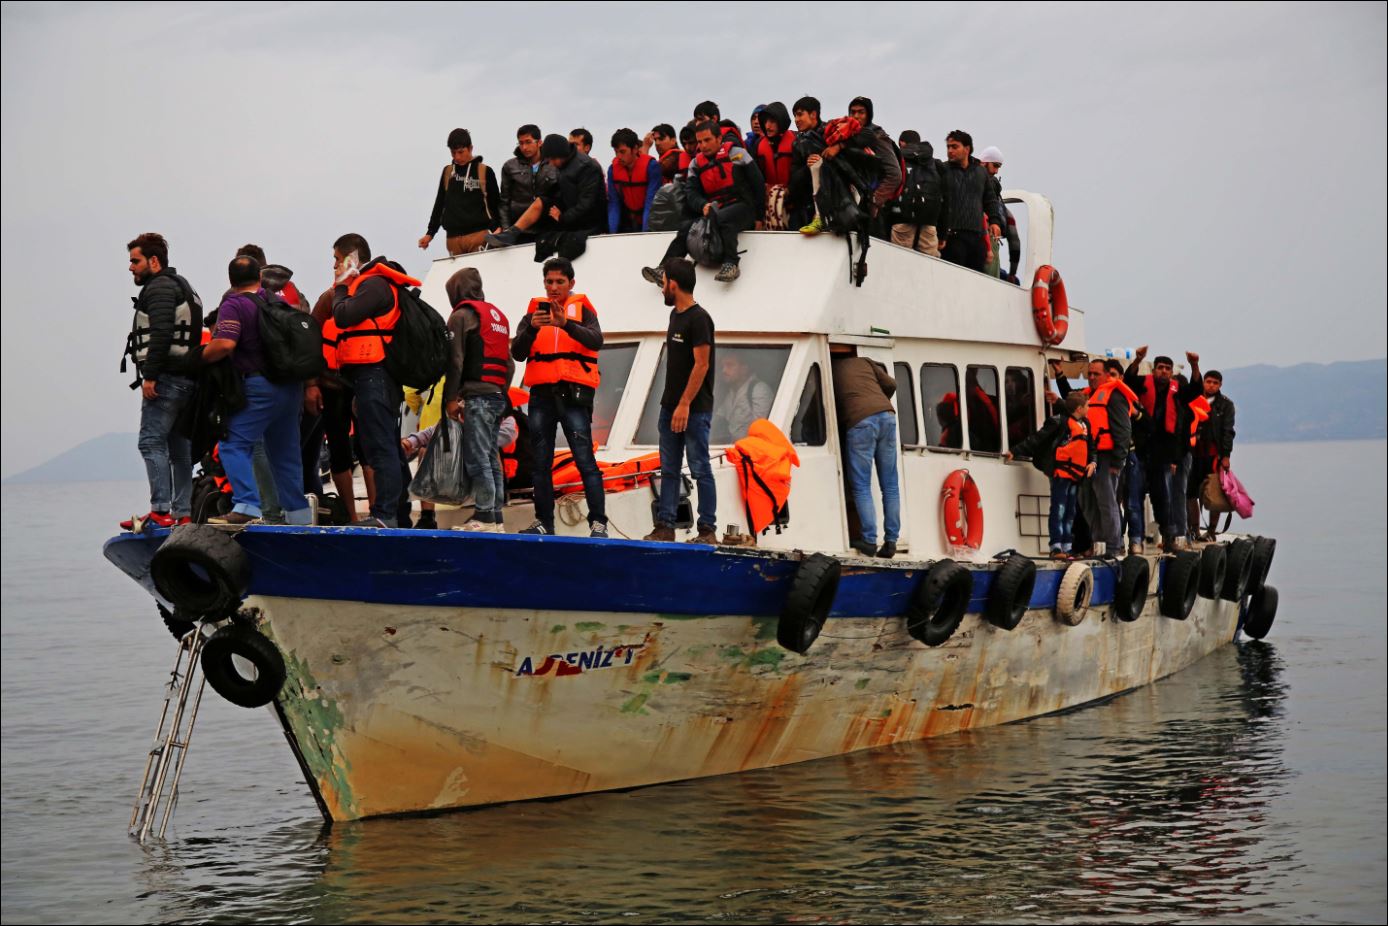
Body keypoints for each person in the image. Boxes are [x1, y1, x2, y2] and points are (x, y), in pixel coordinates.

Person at [200, 256, 313, 526]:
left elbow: (226, 344)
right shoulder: (278, 302)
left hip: (259, 386)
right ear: (259, 278)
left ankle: (247, 505)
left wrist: (199, 356)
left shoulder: (234, 304)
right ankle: (299, 517)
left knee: (233, 445)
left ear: (231, 281)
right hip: (290, 387)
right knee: (285, 454)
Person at [509, 257, 608, 537]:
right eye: (549, 282)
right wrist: (531, 329)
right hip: (541, 395)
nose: (553, 287)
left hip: (573, 395)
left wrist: (566, 324)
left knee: (584, 459)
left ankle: (598, 523)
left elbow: (596, 340)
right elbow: (517, 352)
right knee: (540, 462)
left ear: (571, 283)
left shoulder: (583, 310)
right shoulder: (532, 315)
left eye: (559, 282)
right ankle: (544, 523)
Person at [330, 233, 417, 527]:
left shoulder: (373, 285)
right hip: (369, 376)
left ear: (352, 258)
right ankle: (398, 513)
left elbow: (343, 316)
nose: (334, 266)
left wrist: (341, 288)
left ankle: (385, 514)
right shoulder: (371, 285)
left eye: (337, 259)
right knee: (385, 444)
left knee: (380, 446)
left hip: (376, 375)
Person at [121, 232, 203, 530]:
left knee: (150, 442)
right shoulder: (183, 287)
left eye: (135, 261)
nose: (131, 267)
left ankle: (160, 511)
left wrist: (151, 376)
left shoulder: (160, 289)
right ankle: (182, 513)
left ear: (153, 261)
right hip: (187, 381)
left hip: (167, 379)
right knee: (179, 449)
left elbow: (162, 333)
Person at [643, 258, 717, 544]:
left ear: (673, 284)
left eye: (663, 283)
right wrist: (673, 405)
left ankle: (707, 529)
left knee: (700, 468)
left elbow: (702, 365)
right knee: (669, 468)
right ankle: (665, 525)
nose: (662, 287)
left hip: (694, 410)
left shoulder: (699, 319)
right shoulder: (675, 315)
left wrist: (685, 403)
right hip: (670, 407)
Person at [639, 121, 764, 285]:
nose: (703, 145)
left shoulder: (738, 154)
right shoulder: (696, 164)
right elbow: (691, 192)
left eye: (707, 140)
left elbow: (758, 184)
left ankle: (731, 263)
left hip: (743, 208)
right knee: (685, 228)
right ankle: (664, 269)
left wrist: (759, 218)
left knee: (724, 218)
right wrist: (702, 205)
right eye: (699, 142)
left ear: (719, 138)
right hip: (713, 210)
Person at [441, 267, 514, 533]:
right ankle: (495, 517)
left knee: (477, 456)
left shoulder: (461, 316)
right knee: (491, 456)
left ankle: (483, 516)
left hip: (478, 396)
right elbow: (509, 364)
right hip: (496, 395)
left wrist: (452, 398)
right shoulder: (498, 317)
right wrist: (501, 392)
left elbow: (455, 360)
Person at [486, 134, 607, 260]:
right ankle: (511, 233)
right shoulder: (563, 164)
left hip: (587, 221)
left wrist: (562, 217)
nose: (551, 164)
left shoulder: (587, 166)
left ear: (559, 154)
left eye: (552, 159)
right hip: (568, 211)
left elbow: (586, 204)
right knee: (541, 201)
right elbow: (559, 191)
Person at [830, 346, 901, 558]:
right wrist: (877, 401)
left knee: (861, 486)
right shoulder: (865, 361)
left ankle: (869, 540)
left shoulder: (829, 369)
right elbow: (891, 384)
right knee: (890, 485)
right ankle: (891, 541)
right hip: (887, 416)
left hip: (860, 422)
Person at [1006, 392, 1096, 558]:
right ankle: (1056, 546)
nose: (1089, 408)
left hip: (1076, 475)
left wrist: (1093, 463)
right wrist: (1015, 451)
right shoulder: (1058, 422)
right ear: (1079, 408)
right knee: (1059, 509)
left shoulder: (1086, 425)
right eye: (1087, 406)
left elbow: (1091, 448)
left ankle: (1068, 547)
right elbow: (1036, 439)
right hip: (1061, 473)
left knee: (1070, 512)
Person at [1124, 347, 1185, 550]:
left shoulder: (1178, 392)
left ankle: (1169, 537)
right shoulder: (1142, 384)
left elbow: (1179, 427)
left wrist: (1194, 366)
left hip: (1164, 454)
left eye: (1168, 368)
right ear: (1153, 370)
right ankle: (1136, 540)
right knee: (1135, 496)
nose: (1164, 371)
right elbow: (1128, 381)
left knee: (1164, 498)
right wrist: (1137, 360)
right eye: (1160, 368)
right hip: (1141, 450)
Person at [419, 128, 502, 256]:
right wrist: (430, 234)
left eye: (461, 152)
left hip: (478, 235)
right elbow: (440, 204)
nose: (457, 157)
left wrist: (498, 228)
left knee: (476, 275)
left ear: (470, 148)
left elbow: (495, 203)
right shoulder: (447, 172)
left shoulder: (484, 171)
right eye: (453, 153)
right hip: (453, 239)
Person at [1087, 359, 1140, 554]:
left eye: (1096, 374)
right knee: (1094, 501)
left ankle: (1113, 546)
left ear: (1107, 375)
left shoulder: (1115, 396)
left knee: (1108, 502)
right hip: (1094, 457)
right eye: (1089, 374)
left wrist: (1118, 460)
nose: (1092, 377)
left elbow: (1124, 430)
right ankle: (1099, 543)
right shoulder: (1093, 397)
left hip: (1108, 457)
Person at [1184, 353, 1236, 538]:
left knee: (1215, 494)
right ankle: (1194, 529)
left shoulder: (1226, 405)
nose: (1211, 385)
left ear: (1220, 385)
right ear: (1204, 382)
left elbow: (1228, 431)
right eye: (1208, 381)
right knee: (1190, 493)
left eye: (1215, 382)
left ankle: (1212, 531)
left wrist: (1226, 456)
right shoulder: (1194, 400)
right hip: (1193, 454)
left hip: (1214, 455)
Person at [939, 130, 1005, 273]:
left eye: (955, 147)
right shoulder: (943, 170)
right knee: (952, 278)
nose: (950, 151)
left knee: (976, 282)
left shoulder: (980, 173)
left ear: (967, 149)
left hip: (976, 239)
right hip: (951, 238)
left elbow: (990, 199)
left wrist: (995, 221)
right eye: (948, 147)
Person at [886, 130, 947, 256]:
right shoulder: (934, 163)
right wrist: (943, 232)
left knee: (900, 258)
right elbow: (945, 198)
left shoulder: (898, 158)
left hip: (902, 218)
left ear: (902, 142)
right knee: (929, 263)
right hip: (929, 222)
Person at [846, 96, 903, 221]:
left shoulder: (878, 137)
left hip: (868, 207)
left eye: (861, 112)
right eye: (853, 112)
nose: (856, 116)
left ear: (868, 114)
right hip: (848, 203)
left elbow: (894, 174)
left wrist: (874, 201)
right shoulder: (846, 136)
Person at [977, 146, 1021, 282]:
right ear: (984, 163)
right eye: (995, 166)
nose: (996, 171)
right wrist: (1012, 274)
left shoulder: (1000, 208)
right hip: (984, 245)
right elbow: (1015, 242)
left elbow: (1014, 240)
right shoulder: (1001, 209)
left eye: (998, 167)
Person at [499, 124, 555, 231]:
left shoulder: (553, 164)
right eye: (521, 143)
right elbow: (504, 202)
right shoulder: (510, 166)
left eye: (528, 142)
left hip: (548, 228)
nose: (524, 147)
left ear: (539, 142)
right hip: (519, 229)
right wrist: (506, 230)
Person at [606, 128, 662, 233]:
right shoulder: (612, 170)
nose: (618, 156)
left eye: (622, 152)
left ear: (635, 149)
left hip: (650, 219)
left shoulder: (651, 167)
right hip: (627, 220)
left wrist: (645, 233)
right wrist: (612, 234)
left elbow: (651, 202)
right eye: (616, 152)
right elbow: (614, 203)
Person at [711, 353, 774, 443]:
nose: (724, 370)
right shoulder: (730, 392)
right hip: (731, 447)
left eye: (730, 365)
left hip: (750, 449)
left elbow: (761, 428)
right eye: (722, 366)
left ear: (744, 368)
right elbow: (719, 419)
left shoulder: (759, 390)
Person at [753, 102, 796, 229]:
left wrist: (790, 191)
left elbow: (802, 173)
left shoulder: (796, 141)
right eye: (765, 122)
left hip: (795, 203)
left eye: (772, 122)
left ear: (781, 122)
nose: (767, 126)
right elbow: (754, 177)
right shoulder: (758, 145)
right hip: (768, 203)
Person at [786, 97, 826, 229]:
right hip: (805, 207)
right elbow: (794, 180)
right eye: (794, 116)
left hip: (833, 203)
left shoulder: (831, 133)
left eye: (800, 114)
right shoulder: (797, 143)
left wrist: (827, 155)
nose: (796, 120)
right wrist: (807, 167)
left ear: (813, 114)